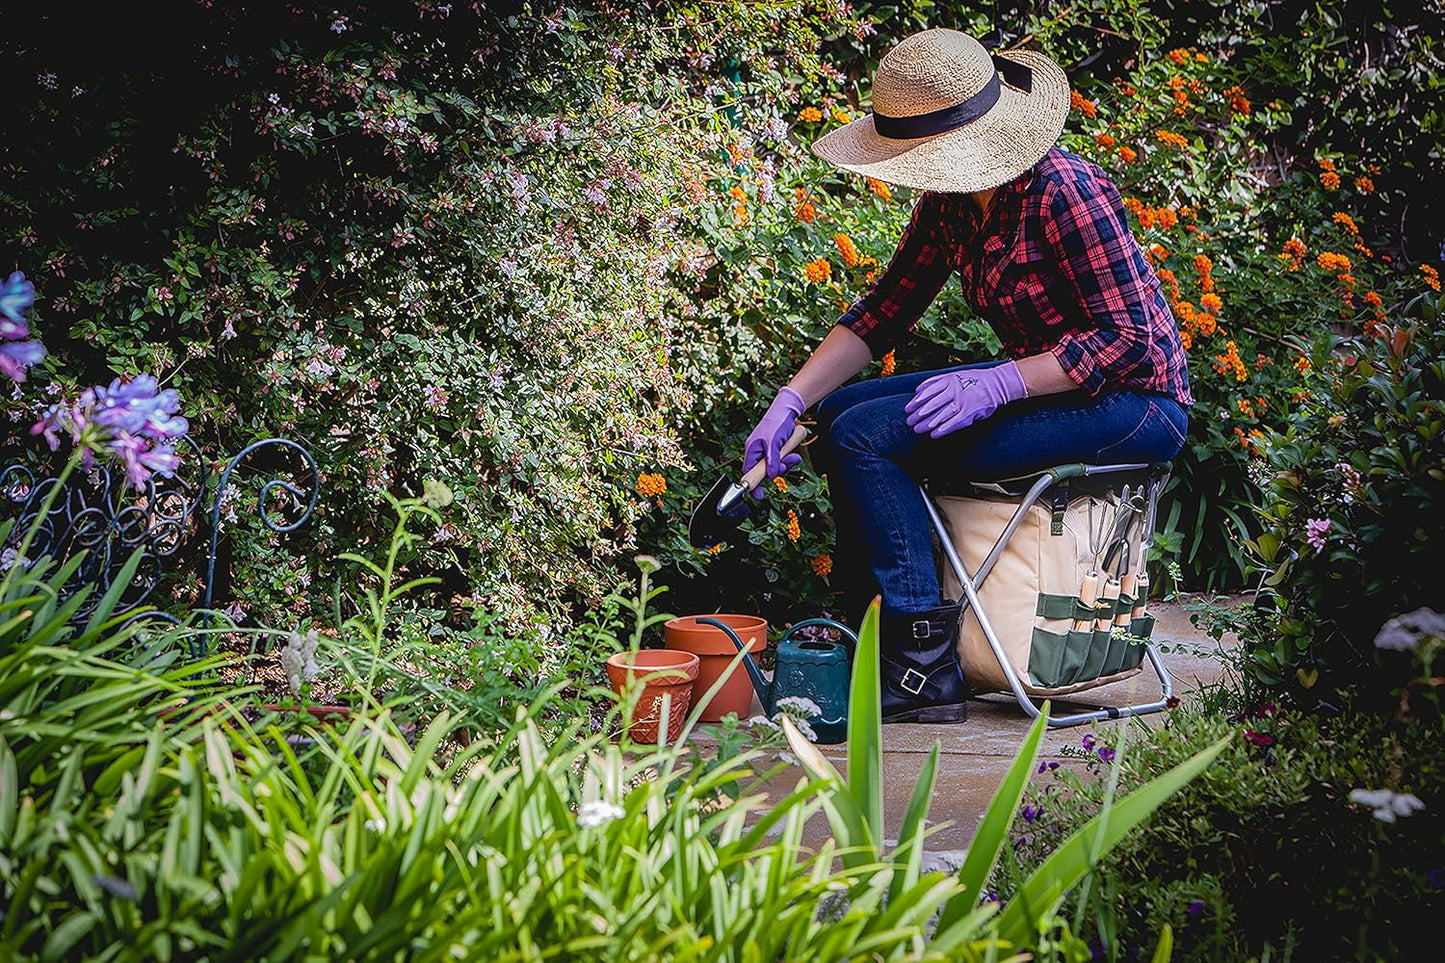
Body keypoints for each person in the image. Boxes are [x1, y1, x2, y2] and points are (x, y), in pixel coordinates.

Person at [741, 28, 1192, 724]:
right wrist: (790, 400)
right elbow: (884, 311)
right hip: (1052, 382)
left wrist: (1000, 384)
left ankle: (920, 662)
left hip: (1135, 403)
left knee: (867, 438)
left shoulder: (1064, 192)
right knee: (838, 418)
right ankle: (870, 632)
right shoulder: (951, 204)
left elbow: (1131, 342)